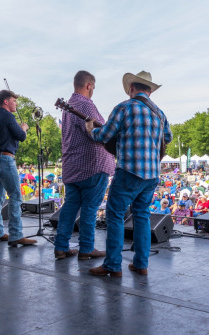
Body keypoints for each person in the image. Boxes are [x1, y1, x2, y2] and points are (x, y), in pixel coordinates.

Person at [86, 70, 172, 277]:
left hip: (129, 170)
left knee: (114, 215)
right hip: (152, 174)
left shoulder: (124, 107)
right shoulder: (159, 113)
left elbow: (105, 135)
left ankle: (113, 266)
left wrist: (91, 130)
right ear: (149, 91)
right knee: (142, 216)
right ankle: (141, 264)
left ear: (131, 88)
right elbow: (167, 138)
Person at [54, 71, 115, 260]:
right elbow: (100, 132)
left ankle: (61, 247)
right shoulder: (85, 104)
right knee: (90, 208)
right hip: (92, 166)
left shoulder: (68, 107)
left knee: (70, 206)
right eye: (93, 88)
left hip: (72, 165)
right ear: (88, 85)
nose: (93, 91)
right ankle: (87, 248)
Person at [0, 90, 37, 247]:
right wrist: (23, 128)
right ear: (6, 102)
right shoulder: (8, 117)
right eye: (14, 101)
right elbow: (20, 136)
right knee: (15, 196)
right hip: (4, 159)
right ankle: (16, 235)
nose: (16, 104)